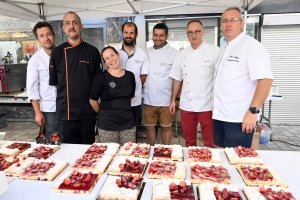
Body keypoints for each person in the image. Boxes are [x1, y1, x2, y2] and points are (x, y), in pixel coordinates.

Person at [213, 6, 273, 148]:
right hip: (220, 115)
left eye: (233, 20)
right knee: (222, 156)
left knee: (237, 159)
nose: (228, 24)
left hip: (239, 118)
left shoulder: (252, 47)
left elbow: (265, 80)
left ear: (242, 23)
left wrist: (253, 111)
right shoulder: (224, 48)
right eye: (225, 21)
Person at [49, 11, 103, 144]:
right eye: (67, 23)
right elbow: (55, 82)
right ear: (63, 28)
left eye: (75, 22)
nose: (71, 26)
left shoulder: (92, 51)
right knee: (67, 150)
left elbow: (98, 82)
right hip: (65, 111)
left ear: (81, 26)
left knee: (87, 152)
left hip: (88, 112)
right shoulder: (56, 52)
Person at [169, 20, 220, 148]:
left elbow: (222, 77)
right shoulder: (181, 54)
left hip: (207, 104)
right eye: (190, 32)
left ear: (203, 32)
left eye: (197, 31)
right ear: (187, 35)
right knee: (189, 141)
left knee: (210, 142)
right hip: (187, 105)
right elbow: (177, 79)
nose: (194, 35)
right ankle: (192, 166)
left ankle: (210, 166)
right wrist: (173, 100)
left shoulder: (214, 51)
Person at [90, 46, 136, 146]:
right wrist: (103, 113)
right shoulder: (100, 77)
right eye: (107, 58)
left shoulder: (130, 76)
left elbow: (130, 98)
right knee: (109, 154)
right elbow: (93, 101)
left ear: (118, 55)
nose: (111, 60)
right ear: (105, 62)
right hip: (107, 125)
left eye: (112, 55)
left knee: (128, 155)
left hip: (128, 123)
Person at [143, 23, 178, 146]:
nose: (158, 38)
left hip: (166, 100)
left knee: (166, 128)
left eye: (161, 35)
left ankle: (166, 153)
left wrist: (176, 99)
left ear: (167, 36)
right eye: (155, 35)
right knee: (149, 127)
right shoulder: (145, 53)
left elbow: (178, 78)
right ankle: (151, 153)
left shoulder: (174, 53)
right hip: (149, 99)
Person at [114, 22, 149, 140]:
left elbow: (143, 76)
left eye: (131, 33)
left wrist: (132, 89)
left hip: (134, 101)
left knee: (132, 134)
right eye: (126, 32)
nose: (128, 35)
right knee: (116, 133)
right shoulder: (114, 51)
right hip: (116, 102)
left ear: (136, 35)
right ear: (122, 34)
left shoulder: (142, 53)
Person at [26, 21, 57, 136]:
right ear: (38, 39)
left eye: (48, 34)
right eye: (42, 36)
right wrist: (38, 112)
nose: (46, 38)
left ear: (53, 35)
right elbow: (32, 88)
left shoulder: (63, 54)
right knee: (54, 140)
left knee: (70, 139)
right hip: (49, 109)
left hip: (67, 106)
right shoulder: (35, 60)